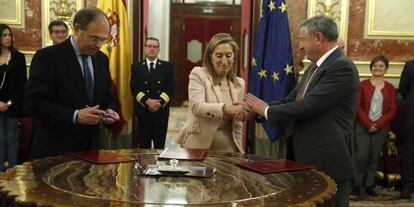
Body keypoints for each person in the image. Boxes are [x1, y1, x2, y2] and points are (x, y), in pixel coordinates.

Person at [243, 16, 359, 207]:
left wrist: (266, 111)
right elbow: (290, 100)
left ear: (318, 37)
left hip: (328, 160)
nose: (299, 47)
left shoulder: (341, 67)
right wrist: (258, 110)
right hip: (306, 158)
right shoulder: (314, 67)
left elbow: (309, 106)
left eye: (302, 39)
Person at [24, 7, 119, 160]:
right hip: (56, 151)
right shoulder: (48, 57)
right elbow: (33, 103)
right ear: (76, 29)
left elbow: (107, 97)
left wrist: (109, 111)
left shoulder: (101, 59)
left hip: (91, 151)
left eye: (103, 39)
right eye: (94, 38)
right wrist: (74, 116)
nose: (98, 45)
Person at [175, 33, 245, 153]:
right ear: (210, 57)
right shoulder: (198, 74)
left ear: (234, 58)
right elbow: (197, 107)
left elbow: (237, 124)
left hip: (229, 147)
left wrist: (239, 149)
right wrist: (225, 108)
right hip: (198, 144)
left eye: (228, 55)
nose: (224, 61)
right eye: (219, 56)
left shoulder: (239, 83)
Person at [352, 55, 397, 196]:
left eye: (381, 66)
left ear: (386, 69)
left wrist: (378, 125)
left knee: (374, 156)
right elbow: (357, 107)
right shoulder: (362, 85)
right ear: (371, 68)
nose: (377, 68)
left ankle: (369, 185)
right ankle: (357, 185)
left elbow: (393, 110)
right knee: (361, 156)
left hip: (381, 128)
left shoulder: (390, 88)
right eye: (375, 66)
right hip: (362, 127)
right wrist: (368, 124)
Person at [130, 37, 174, 149]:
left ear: (159, 50)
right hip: (143, 112)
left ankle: (158, 166)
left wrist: (158, 103)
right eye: (149, 46)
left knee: (159, 146)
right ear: (145, 49)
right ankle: (145, 166)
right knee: (144, 146)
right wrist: (148, 101)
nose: (152, 49)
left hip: (161, 112)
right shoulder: (136, 67)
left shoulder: (167, 66)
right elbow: (134, 88)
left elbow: (170, 87)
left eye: (155, 47)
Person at [0, 24, 27, 171]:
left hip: (12, 105)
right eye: (4, 35)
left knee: (10, 138)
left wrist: (9, 103)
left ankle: (11, 172)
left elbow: (22, 84)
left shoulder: (18, 57)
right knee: (0, 139)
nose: (8, 38)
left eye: (9, 35)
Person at [399, 59, 414, 199]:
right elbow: (403, 89)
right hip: (413, 116)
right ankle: (407, 186)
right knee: (411, 151)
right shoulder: (410, 65)